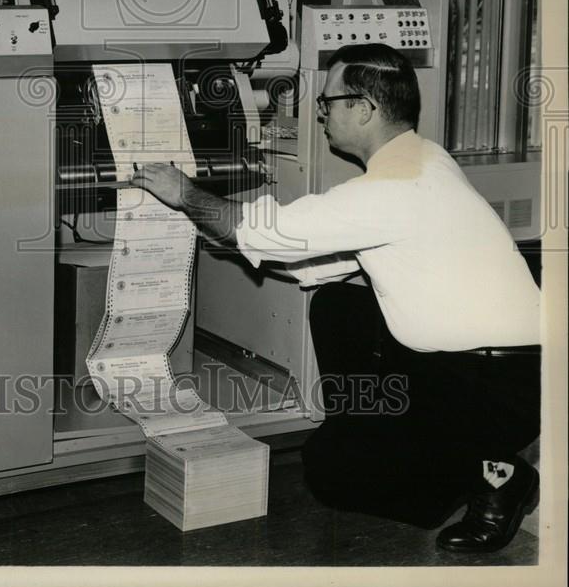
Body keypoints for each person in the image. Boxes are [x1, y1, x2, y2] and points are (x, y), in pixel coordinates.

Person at [130, 43, 541, 553]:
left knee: (331, 473)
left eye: (328, 103)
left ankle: (495, 473)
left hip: (487, 389)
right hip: (503, 371)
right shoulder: (427, 159)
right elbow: (324, 254)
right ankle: (411, 445)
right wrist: (251, 238)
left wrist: (184, 193)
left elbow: (262, 231)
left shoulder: (386, 191)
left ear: (365, 109)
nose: (321, 114)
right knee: (339, 307)